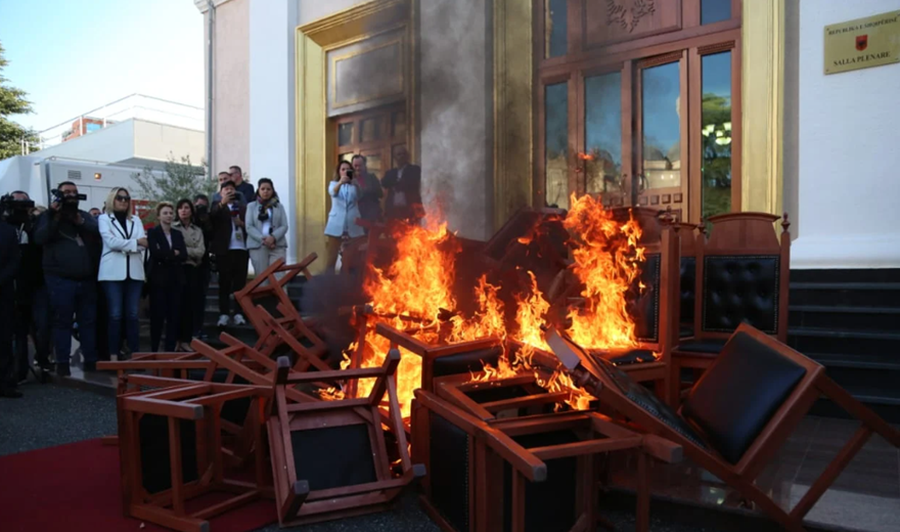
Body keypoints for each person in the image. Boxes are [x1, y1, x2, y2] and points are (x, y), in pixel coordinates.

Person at [34, 181, 101, 376]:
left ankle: (91, 360)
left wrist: (79, 221)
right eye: (67, 192)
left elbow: (98, 231)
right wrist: (54, 216)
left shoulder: (84, 216)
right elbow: (40, 238)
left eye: (74, 192)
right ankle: (62, 362)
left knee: (88, 322)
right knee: (62, 322)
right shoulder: (49, 216)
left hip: (86, 280)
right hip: (60, 280)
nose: (71, 195)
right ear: (58, 195)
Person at [97, 188, 146, 361]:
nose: (123, 201)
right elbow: (110, 242)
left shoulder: (136, 220)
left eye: (126, 198)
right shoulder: (104, 218)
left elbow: (143, 243)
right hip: (112, 273)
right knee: (115, 314)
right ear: (113, 199)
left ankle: (135, 352)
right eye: (119, 198)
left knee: (132, 315)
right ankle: (113, 354)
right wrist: (134, 243)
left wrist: (128, 244)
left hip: (134, 272)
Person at [146, 202, 186, 351]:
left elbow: (183, 254)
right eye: (165, 213)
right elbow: (156, 253)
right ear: (158, 216)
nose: (169, 215)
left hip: (175, 279)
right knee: (157, 316)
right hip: (158, 280)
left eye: (170, 213)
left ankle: (169, 349)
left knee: (173, 316)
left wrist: (168, 254)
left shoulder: (177, 233)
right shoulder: (153, 232)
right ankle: (154, 349)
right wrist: (172, 254)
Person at [211, 181, 249, 326]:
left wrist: (242, 224)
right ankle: (224, 314)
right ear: (221, 193)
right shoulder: (217, 206)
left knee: (240, 284)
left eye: (232, 189)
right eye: (226, 189)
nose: (229, 191)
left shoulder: (243, 208)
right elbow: (212, 218)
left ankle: (239, 313)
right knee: (224, 283)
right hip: (224, 250)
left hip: (241, 249)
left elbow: (250, 226)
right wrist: (222, 203)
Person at [173, 199, 205, 350]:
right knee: (176, 305)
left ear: (191, 210)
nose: (183, 211)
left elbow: (201, 251)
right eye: (180, 208)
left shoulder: (197, 230)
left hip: (192, 270)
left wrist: (184, 251)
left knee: (189, 306)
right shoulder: (173, 228)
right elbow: (173, 250)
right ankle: (175, 340)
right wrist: (185, 252)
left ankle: (186, 340)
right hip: (176, 270)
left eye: (186, 208)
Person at [324, 160, 365, 273]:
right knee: (331, 257)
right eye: (343, 169)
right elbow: (332, 192)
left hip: (352, 224)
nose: (345, 171)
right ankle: (328, 282)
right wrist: (340, 183)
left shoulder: (354, 185)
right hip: (336, 225)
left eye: (348, 169)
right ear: (339, 172)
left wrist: (355, 183)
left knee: (353, 257)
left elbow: (360, 196)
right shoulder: (333, 184)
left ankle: (348, 282)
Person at [246, 178, 288, 277]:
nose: (265, 191)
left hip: (277, 245)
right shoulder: (251, 206)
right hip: (258, 245)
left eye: (268, 189)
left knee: (279, 276)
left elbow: (284, 225)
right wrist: (263, 239)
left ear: (272, 191)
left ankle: (280, 293)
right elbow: (249, 226)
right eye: (263, 189)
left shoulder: (279, 206)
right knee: (262, 278)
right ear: (258, 190)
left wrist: (273, 237)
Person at [0, 216, 22, 397]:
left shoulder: (8, 231)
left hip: (3, 292)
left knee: (4, 339)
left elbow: (15, 260)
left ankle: (5, 383)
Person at [382, 145, 424, 223]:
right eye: (399, 154)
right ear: (395, 157)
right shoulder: (391, 173)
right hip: (394, 211)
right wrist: (397, 183)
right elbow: (384, 183)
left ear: (407, 156)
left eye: (403, 154)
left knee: (411, 233)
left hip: (410, 210)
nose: (401, 156)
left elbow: (411, 182)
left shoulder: (414, 169)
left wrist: (396, 184)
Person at [192, 194, 214, 338]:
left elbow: (211, 236)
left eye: (203, 206)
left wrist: (206, 219)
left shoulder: (208, 220)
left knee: (201, 299)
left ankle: (199, 328)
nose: (201, 209)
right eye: (198, 205)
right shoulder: (189, 220)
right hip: (189, 264)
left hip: (204, 264)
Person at [351, 154, 383, 226]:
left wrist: (367, 191)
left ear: (365, 166)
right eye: (355, 166)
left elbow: (380, 194)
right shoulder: (349, 181)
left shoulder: (372, 177)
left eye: (360, 165)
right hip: (356, 218)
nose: (358, 168)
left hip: (372, 217)